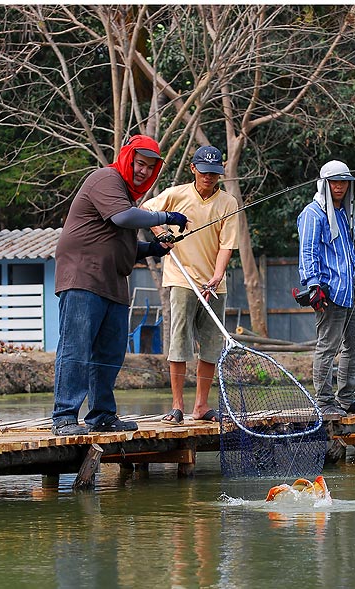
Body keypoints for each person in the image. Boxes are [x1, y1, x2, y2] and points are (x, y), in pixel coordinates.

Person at [51, 135, 190, 436]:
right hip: (83, 278)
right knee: (77, 346)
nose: (143, 171)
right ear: (128, 158)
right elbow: (124, 217)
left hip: (112, 282)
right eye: (140, 163)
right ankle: (64, 417)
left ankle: (101, 415)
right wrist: (164, 216)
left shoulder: (128, 197)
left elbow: (121, 244)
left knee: (110, 352)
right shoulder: (106, 178)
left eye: (149, 167)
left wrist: (153, 249)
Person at [142, 145, 239, 425]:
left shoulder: (228, 203)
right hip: (181, 278)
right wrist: (162, 234)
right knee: (180, 342)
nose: (209, 177)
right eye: (204, 171)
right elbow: (146, 209)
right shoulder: (176, 194)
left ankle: (200, 406)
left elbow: (226, 245)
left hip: (213, 284)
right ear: (193, 169)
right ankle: (176, 407)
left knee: (210, 345)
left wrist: (218, 275)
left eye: (214, 172)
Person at [296, 160, 355, 417]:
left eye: (344, 182)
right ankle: (323, 402)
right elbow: (308, 253)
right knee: (327, 346)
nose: (340, 186)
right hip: (328, 291)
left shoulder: (341, 214)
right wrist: (313, 286)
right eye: (335, 181)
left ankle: (346, 399)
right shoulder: (313, 214)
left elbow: (347, 252)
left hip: (349, 290)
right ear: (324, 184)